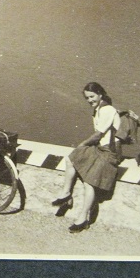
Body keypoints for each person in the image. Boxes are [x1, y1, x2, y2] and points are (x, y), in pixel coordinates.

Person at [51, 82, 121, 233]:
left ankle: (83, 218)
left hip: (109, 153)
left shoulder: (107, 109)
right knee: (71, 158)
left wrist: (81, 144)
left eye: (92, 96)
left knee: (89, 182)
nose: (89, 100)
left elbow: (98, 134)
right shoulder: (99, 109)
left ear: (100, 94)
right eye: (87, 98)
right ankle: (66, 195)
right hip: (100, 148)